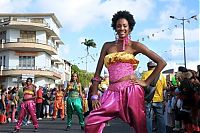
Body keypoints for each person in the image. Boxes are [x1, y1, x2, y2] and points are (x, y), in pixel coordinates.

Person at [85, 10, 166, 133]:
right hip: (111, 92)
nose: (121, 28)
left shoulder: (135, 46)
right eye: (118, 26)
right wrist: (95, 95)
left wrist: (146, 82)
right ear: (114, 27)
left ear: (130, 28)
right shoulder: (107, 46)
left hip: (132, 91)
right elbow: (97, 74)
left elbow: (161, 62)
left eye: (124, 26)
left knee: (140, 126)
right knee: (91, 121)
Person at [141, 61, 167, 133]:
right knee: (160, 117)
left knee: (148, 117)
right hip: (159, 99)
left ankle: (149, 131)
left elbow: (142, 86)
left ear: (148, 67)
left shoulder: (145, 74)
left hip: (148, 99)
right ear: (156, 67)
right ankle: (162, 131)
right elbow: (165, 87)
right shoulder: (161, 76)